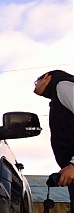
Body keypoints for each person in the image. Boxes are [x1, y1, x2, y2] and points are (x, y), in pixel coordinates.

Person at [33, 70, 74, 203]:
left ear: (46, 77)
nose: (34, 87)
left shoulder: (63, 86)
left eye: (35, 82)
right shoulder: (60, 92)